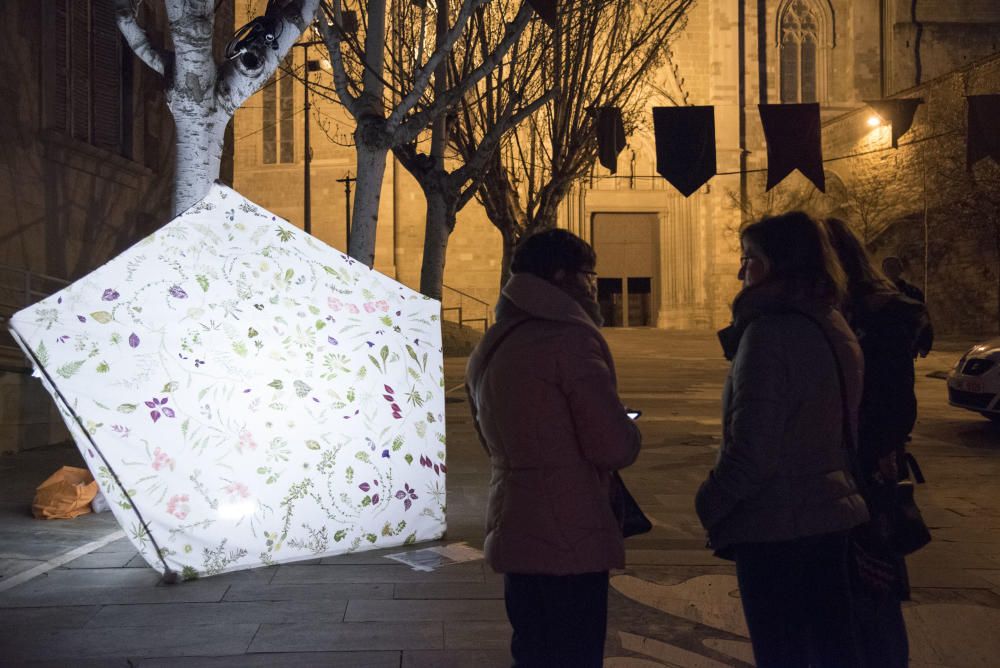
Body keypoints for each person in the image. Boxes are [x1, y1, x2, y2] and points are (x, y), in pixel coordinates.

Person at [695, 212, 869, 668]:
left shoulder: (770, 333)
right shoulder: (831, 321)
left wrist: (710, 501)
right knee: (831, 647)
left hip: (778, 525)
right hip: (829, 514)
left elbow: (753, 446)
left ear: (777, 264)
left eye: (749, 258)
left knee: (783, 651)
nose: (740, 271)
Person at [465, 229, 641, 668]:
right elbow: (612, 446)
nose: (594, 285)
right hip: (571, 534)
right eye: (589, 275)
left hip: (515, 524)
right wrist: (629, 426)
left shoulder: (493, 342)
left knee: (532, 650)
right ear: (562, 277)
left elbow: (489, 435)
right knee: (575, 652)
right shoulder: (570, 341)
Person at [826, 218, 930, 668]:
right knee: (865, 591)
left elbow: (894, 405)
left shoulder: (874, 317)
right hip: (860, 467)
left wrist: (874, 452)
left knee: (870, 586)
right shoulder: (868, 314)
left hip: (860, 471)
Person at [881, 256, 934, 357]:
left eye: (893, 267)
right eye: (888, 267)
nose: (890, 270)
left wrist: (924, 344)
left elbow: (923, 319)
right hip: (884, 345)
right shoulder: (878, 292)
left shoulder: (912, 292)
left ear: (900, 270)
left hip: (906, 344)